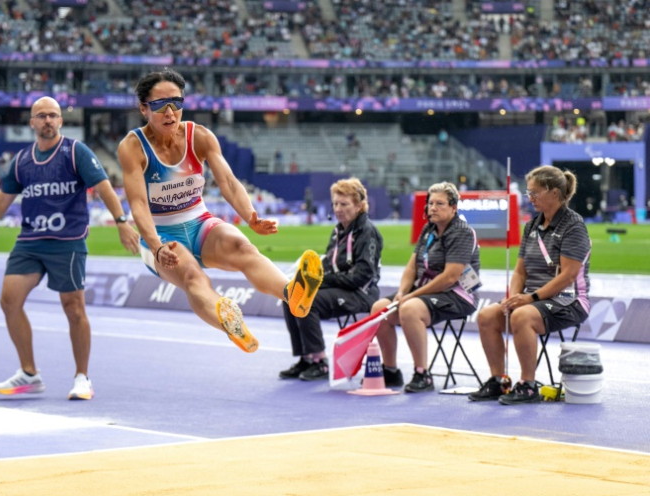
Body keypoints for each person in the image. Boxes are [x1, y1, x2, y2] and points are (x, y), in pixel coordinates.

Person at [117, 69, 323, 353]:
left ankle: (292, 294)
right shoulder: (132, 147)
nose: (169, 112)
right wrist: (155, 246)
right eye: (159, 105)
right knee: (192, 276)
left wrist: (251, 216)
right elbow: (138, 204)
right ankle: (227, 320)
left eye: (176, 103)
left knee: (242, 246)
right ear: (143, 109)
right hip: (159, 232)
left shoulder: (198, 135)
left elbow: (227, 181)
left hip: (199, 222)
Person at [0, 96, 140, 401]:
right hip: (30, 241)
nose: (48, 121)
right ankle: (29, 373)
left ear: (61, 121)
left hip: (67, 241)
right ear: (32, 123)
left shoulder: (75, 151)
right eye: (41, 116)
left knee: (73, 308)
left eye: (53, 115)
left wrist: (121, 220)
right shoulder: (23, 161)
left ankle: (82, 377)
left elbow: (103, 185)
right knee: (9, 301)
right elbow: (2, 201)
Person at [469, 165, 590, 405]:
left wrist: (530, 298)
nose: (530, 198)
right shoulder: (532, 225)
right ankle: (498, 380)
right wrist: (512, 298)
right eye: (529, 193)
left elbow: (568, 276)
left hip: (569, 301)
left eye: (535, 193)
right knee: (486, 316)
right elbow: (520, 270)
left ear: (554, 193)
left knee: (521, 316)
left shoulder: (573, 226)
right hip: (533, 300)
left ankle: (528, 384)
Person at [371, 182, 481, 392]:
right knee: (379, 309)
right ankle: (391, 370)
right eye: (430, 204)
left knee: (410, 309)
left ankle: (422, 374)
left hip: (457, 294)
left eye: (439, 204)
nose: (433, 208)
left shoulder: (462, 233)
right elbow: (411, 267)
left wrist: (412, 297)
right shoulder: (428, 229)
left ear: (453, 208)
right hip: (424, 291)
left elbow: (449, 278)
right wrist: (403, 291)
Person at [280, 178, 383, 381]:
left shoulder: (368, 232)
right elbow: (328, 265)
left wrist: (322, 282)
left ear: (359, 205)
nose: (338, 209)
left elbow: (361, 275)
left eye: (344, 204)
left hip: (361, 293)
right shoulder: (338, 231)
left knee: (308, 300)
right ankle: (306, 358)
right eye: (335, 203)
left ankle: (320, 361)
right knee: (291, 294)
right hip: (341, 288)